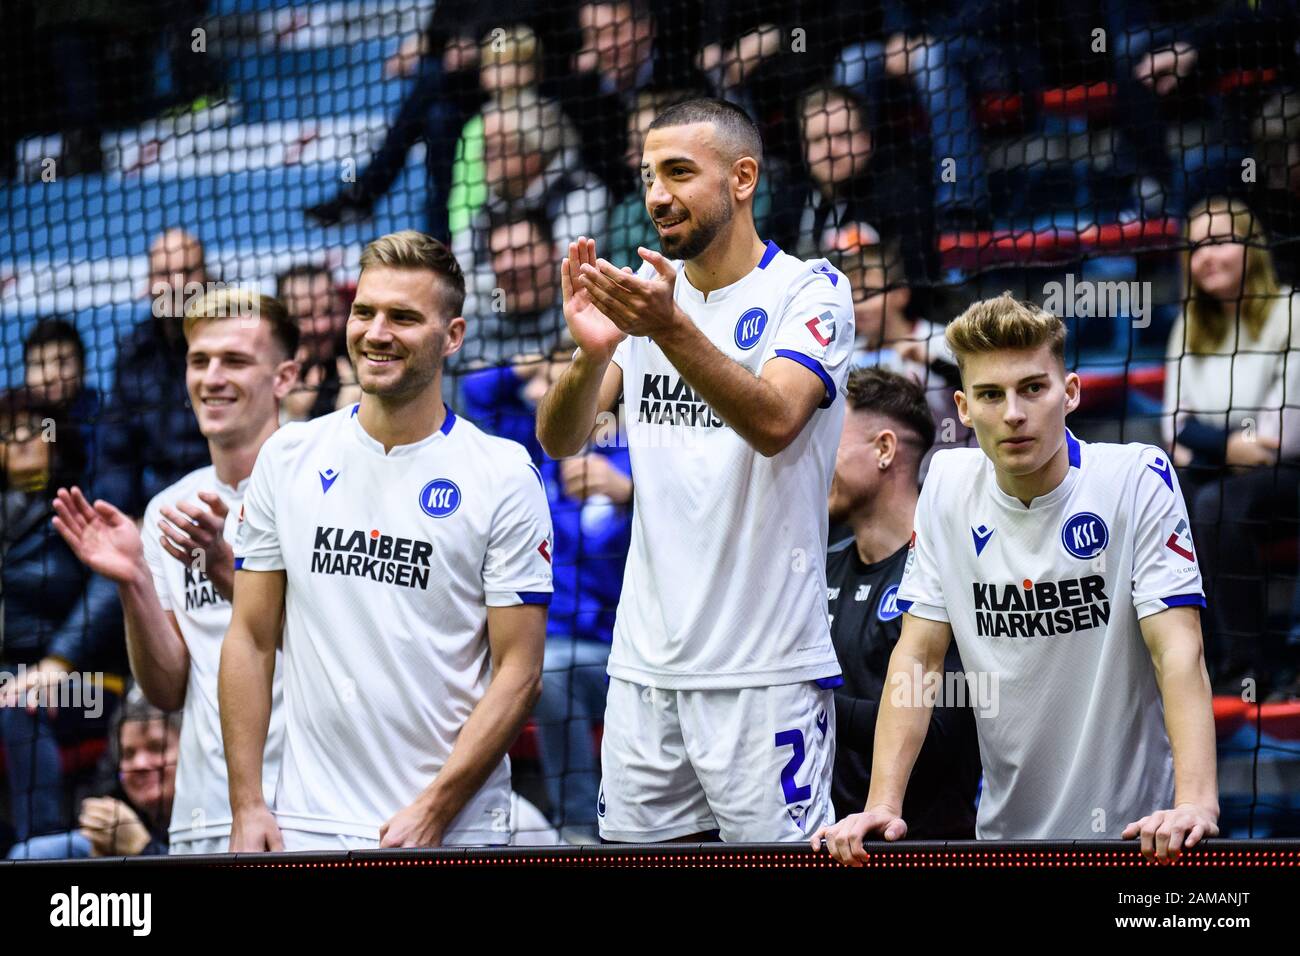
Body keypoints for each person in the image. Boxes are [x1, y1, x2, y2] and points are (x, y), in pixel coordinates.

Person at [537, 97, 854, 842]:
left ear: (742, 178)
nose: (656, 195)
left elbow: (776, 422)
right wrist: (591, 354)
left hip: (766, 670)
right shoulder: (649, 300)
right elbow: (561, 439)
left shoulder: (810, 291)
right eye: (649, 176)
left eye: (679, 172)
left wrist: (669, 328)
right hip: (645, 667)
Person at [813, 293, 1219, 863]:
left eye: (1033, 388)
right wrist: (884, 801)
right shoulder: (948, 488)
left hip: (1142, 838)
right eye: (989, 394)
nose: (1012, 413)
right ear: (963, 405)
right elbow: (919, 657)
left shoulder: (1137, 478)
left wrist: (1196, 801)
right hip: (1004, 841)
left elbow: (1177, 649)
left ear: (1070, 392)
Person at [221, 231, 553, 851]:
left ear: (452, 336)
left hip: (454, 831)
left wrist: (434, 810)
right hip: (309, 826)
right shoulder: (287, 456)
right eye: (364, 312)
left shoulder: (504, 475)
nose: (376, 332)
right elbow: (250, 636)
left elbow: (521, 672)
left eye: (403, 317)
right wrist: (246, 804)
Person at [52, 288, 297, 854]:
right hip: (204, 813)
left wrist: (229, 572)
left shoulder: (323, 485)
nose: (212, 377)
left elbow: (338, 644)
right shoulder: (168, 509)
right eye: (199, 360)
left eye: (235, 360)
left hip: (316, 805)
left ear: (283, 377)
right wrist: (134, 579)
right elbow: (166, 690)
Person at [463, 343, 632, 843]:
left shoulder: (638, 450)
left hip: (611, 648)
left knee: (550, 673)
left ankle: (580, 826)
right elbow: (479, 396)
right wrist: (528, 366)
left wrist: (629, 496)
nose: (550, 388)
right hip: (535, 635)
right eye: (555, 377)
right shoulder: (541, 448)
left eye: (573, 373)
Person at [825, 367, 980, 835]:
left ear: (885, 450)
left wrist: (806, 703)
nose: (812, 458)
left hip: (924, 846)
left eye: (828, 440)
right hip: (829, 840)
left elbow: (938, 736)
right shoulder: (818, 566)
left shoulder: (949, 571)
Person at [1163, 196, 1300, 697]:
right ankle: (1190, 660)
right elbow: (1173, 432)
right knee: (1162, 494)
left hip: (1287, 480)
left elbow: (1280, 438)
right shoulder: (1189, 326)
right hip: (1218, 476)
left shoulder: (1292, 311)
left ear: (1251, 247)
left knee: (1216, 502)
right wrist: (1229, 445)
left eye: (1220, 242)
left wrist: (1205, 439)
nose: (1207, 257)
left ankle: (1249, 664)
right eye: (1196, 247)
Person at [0, 389, 126, 845]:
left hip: (85, 679)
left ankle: (43, 851)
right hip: (8, 675)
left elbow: (110, 583)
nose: (17, 441)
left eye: (32, 430)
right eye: (5, 433)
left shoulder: (81, 502)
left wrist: (57, 662)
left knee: (18, 703)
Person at [98, 228, 211, 516]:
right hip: (159, 509)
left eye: (186, 271)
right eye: (164, 274)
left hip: (227, 499)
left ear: (207, 278)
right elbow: (116, 454)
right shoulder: (134, 354)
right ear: (149, 283)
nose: (176, 284)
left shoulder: (236, 341)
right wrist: (125, 519)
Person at [7, 686, 180, 859]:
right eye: (128, 754)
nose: (140, 764)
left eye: (157, 748)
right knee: (30, 853)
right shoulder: (112, 796)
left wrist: (143, 848)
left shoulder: (203, 814)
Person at [23, 317, 103, 484]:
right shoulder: (17, 423)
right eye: (38, 364)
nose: (50, 376)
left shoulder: (102, 421)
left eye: (62, 363)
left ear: (82, 368)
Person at [276, 265, 359, 421]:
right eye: (305, 316)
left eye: (329, 311)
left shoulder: (365, 359)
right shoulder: (267, 370)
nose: (322, 326)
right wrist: (291, 416)